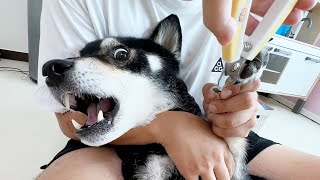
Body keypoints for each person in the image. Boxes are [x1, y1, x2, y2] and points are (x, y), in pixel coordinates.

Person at [36, 0, 320, 179]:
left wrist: (238, 117)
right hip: (117, 136)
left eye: (119, 56)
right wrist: (172, 128)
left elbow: (241, 99)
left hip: (213, 130)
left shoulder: (245, 9)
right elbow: (69, 122)